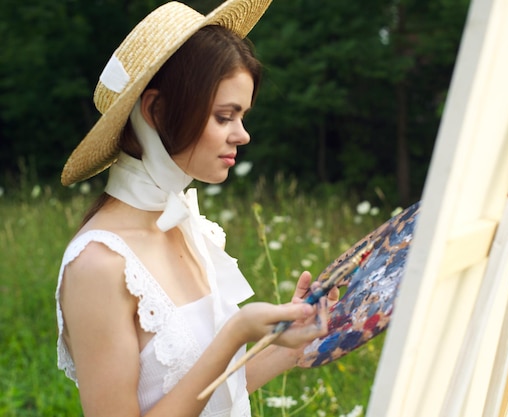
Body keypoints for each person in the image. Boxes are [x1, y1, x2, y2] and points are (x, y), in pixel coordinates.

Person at [55, 1, 337, 416]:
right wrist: (234, 333)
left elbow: (215, 393)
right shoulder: (99, 264)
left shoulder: (190, 228)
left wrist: (285, 344)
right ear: (156, 111)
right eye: (225, 117)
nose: (242, 135)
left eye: (241, 117)